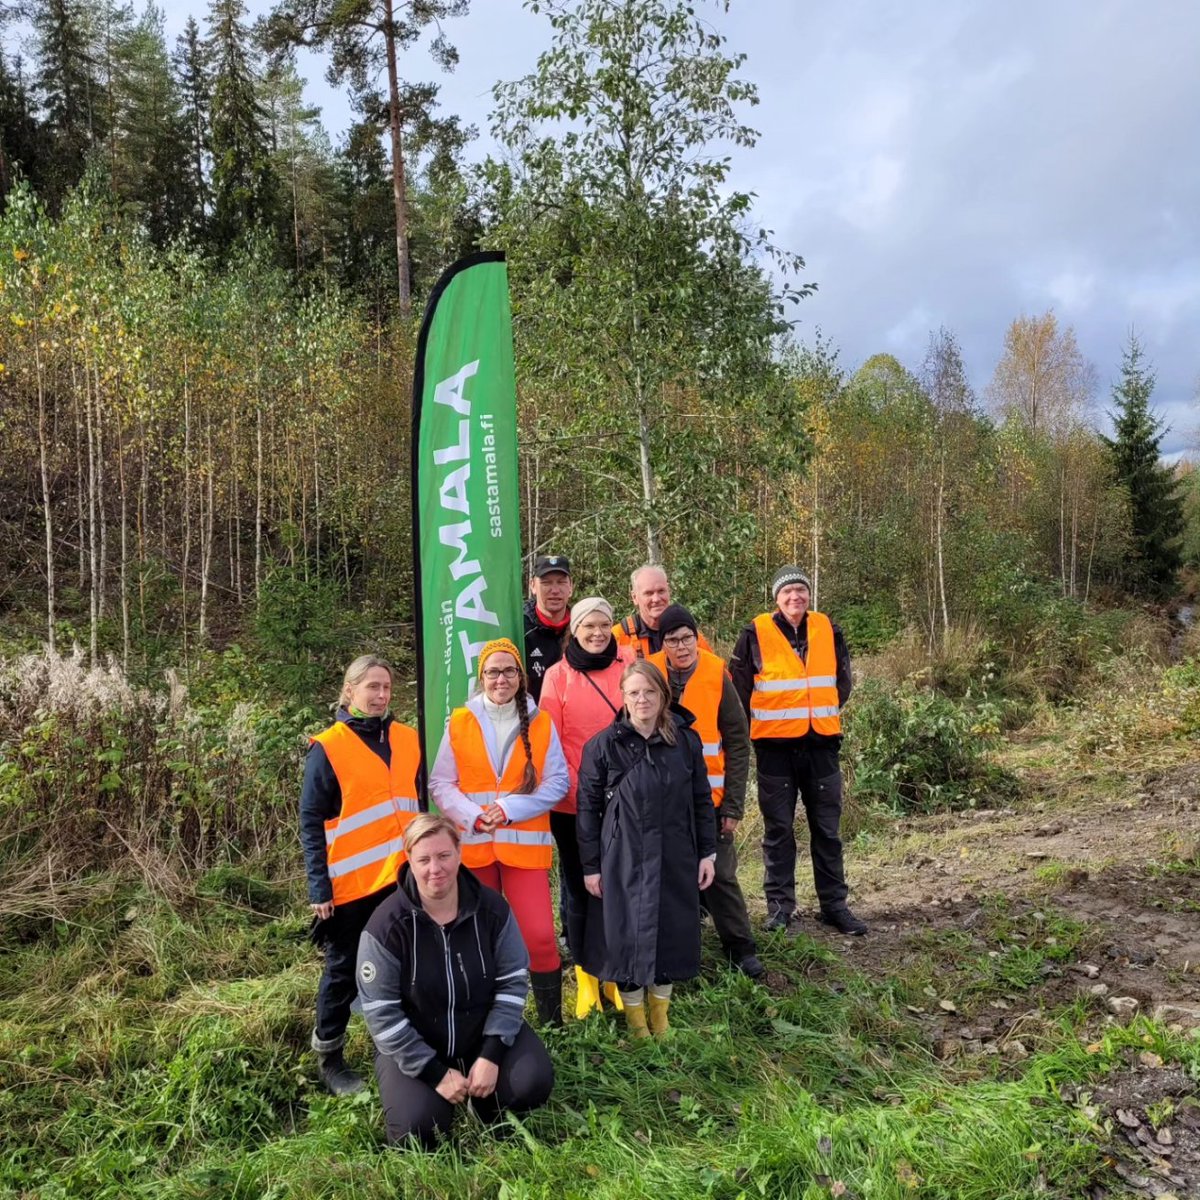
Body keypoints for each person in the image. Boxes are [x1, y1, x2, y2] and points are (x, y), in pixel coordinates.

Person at [358, 814, 555, 1146]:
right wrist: (434, 1073)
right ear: (409, 860)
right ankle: (441, 1095)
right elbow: (381, 1014)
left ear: (459, 853)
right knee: (417, 1130)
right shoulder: (386, 927)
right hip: (418, 1048)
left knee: (532, 1084)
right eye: (424, 859)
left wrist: (492, 1055)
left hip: (481, 1034)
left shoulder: (492, 909)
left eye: (444, 855)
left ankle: (483, 1094)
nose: (435, 868)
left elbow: (512, 981)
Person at [428, 638, 570, 1025]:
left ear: (521, 677)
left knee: (540, 937)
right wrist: (475, 815)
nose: (501, 678)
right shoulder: (460, 721)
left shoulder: (540, 721)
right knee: (477, 938)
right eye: (493, 671)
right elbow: (441, 783)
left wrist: (507, 809)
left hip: (523, 850)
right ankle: (485, 1019)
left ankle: (553, 1023)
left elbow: (558, 782)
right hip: (474, 848)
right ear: (482, 677)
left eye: (509, 671)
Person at [299, 654, 422, 1094]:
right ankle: (329, 1056)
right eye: (371, 686)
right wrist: (319, 885)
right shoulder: (328, 746)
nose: (380, 695)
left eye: (386, 687)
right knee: (343, 970)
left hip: (403, 879)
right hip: (351, 885)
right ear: (350, 691)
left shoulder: (408, 738)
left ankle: (393, 1045)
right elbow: (311, 821)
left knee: (402, 964)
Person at [576, 661, 717, 1038]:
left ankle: (661, 1016)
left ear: (663, 696)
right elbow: (587, 810)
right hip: (621, 859)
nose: (642, 699)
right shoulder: (602, 747)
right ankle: (637, 1023)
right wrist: (591, 866)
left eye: (650, 692)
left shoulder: (685, 741)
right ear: (622, 697)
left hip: (676, 854)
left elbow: (701, 799)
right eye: (634, 692)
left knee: (670, 934)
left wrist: (708, 852)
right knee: (626, 939)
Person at [729, 566, 866, 937]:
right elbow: (737, 692)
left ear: (809, 595)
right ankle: (779, 908)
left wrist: (819, 712)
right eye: (787, 591)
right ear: (776, 597)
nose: (795, 597)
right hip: (774, 749)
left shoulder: (828, 629)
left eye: (801, 591)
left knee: (827, 830)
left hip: (821, 744)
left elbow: (843, 681)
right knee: (777, 831)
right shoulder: (753, 634)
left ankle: (834, 906)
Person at [648, 604, 763, 979]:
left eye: (687, 638)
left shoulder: (716, 672)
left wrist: (732, 805)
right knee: (668, 879)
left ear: (697, 638)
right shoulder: (649, 674)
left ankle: (741, 947)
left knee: (721, 876)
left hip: (710, 803)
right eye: (672, 640)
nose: (681, 646)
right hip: (664, 802)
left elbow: (738, 740)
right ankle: (677, 953)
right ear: (662, 643)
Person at [539, 596, 634, 1016]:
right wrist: (587, 792)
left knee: (619, 887)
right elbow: (549, 746)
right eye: (588, 626)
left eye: (603, 625)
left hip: (627, 801)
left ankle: (616, 970)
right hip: (574, 804)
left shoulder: (628, 663)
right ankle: (586, 978)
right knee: (579, 890)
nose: (597, 634)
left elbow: (643, 724)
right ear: (574, 630)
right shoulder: (558, 678)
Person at [612, 564, 713, 661]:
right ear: (635, 597)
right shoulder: (618, 637)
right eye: (649, 593)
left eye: (661, 591)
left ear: (669, 591)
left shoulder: (689, 635)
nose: (656, 599)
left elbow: (716, 671)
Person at [524, 554, 573, 702]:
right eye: (546, 583)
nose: (555, 590)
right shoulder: (520, 628)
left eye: (561, 582)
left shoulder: (582, 628)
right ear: (533, 586)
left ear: (571, 587)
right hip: (532, 719)